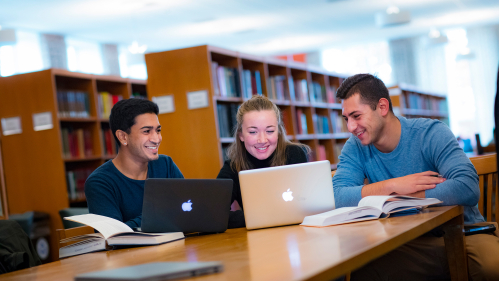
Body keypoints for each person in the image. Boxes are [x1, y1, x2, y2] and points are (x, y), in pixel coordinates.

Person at [333, 73, 499, 280]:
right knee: (355, 271)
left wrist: (406, 195)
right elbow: (337, 196)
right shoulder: (355, 146)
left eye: (356, 116)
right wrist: (394, 186)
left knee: (492, 267)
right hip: (406, 243)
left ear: (382, 107)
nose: (350, 127)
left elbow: (466, 187)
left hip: (463, 233)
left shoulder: (430, 133)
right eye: (346, 118)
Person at [85, 98, 183, 228]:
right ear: (123, 137)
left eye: (158, 130)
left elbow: (186, 208)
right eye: (146, 131)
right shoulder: (100, 182)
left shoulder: (165, 164)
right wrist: (164, 210)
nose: (156, 138)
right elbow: (115, 235)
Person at [217, 95, 310, 228]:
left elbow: (307, 205)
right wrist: (262, 217)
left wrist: (257, 217)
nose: (262, 140)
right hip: (257, 242)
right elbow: (214, 213)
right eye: (253, 132)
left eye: (270, 131)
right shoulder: (233, 167)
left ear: (278, 132)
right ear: (241, 135)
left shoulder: (295, 154)